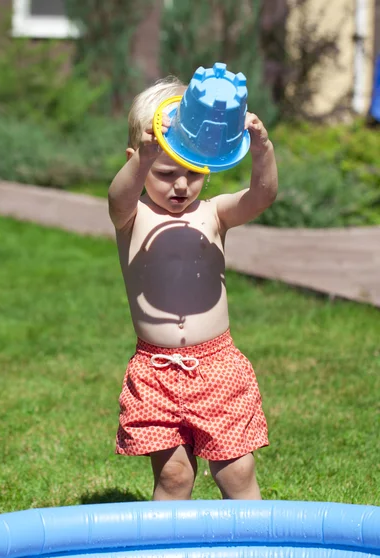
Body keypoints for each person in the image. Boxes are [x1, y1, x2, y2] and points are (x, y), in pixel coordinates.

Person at [108, 74, 278, 501]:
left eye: (193, 172)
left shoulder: (214, 213)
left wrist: (262, 151)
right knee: (174, 478)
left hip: (217, 365)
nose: (181, 186)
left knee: (237, 473)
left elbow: (262, 196)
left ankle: (254, 557)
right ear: (139, 161)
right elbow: (118, 196)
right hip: (156, 370)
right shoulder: (131, 218)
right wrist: (143, 160)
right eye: (165, 172)